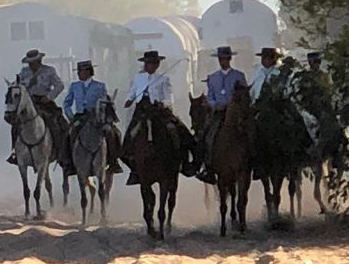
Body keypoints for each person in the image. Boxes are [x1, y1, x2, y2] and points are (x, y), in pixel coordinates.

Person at [122, 49, 196, 182]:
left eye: (153, 63)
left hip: (159, 110)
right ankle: (134, 168)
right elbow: (132, 92)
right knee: (129, 136)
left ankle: (184, 162)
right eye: (148, 63)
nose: (151, 65)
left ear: (157, 65)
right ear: (145, 64)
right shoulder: (138, 78)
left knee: (177, 130)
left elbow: (169, 96)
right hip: (141, 110)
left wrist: (164, 103)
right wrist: (129, 99)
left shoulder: (163, 79)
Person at [63, 59, 122, 176]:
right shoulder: (74, 86)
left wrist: (103, 115)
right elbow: (67, 103)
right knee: (69, 134)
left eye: (81, 71)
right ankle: (69, 163)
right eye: (79, 71)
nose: (79, 74)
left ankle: (113, 160)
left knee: (112, 133)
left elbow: (105, 103)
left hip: (96, 117)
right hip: (80, 117)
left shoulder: (100, 86)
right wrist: (70, 116)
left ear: (88, 72)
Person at [8, 49, 66, 164]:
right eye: (30, 62)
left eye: (33, 62)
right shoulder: (24, 72)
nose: (31, 64)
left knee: (57, 123)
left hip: (44, 101)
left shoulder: (49, 71)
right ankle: (16, 151)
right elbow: (17, 85)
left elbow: (59, 85)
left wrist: (49, 97)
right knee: (16, 124)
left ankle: (60, 151)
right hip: (28, 102)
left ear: (39, 61)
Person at [201, 44, 249, 156]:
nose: (223, 61)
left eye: (225, 58)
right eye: (221, 59)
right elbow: (210, 96)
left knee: (250, 132)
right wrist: (215, 105)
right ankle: (205, 162)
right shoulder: (212, 77)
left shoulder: (239, 76)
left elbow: (244, 95)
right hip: (219, 112)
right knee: (206, 134)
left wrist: (234, 105)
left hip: (236, 113)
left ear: (230, 59)